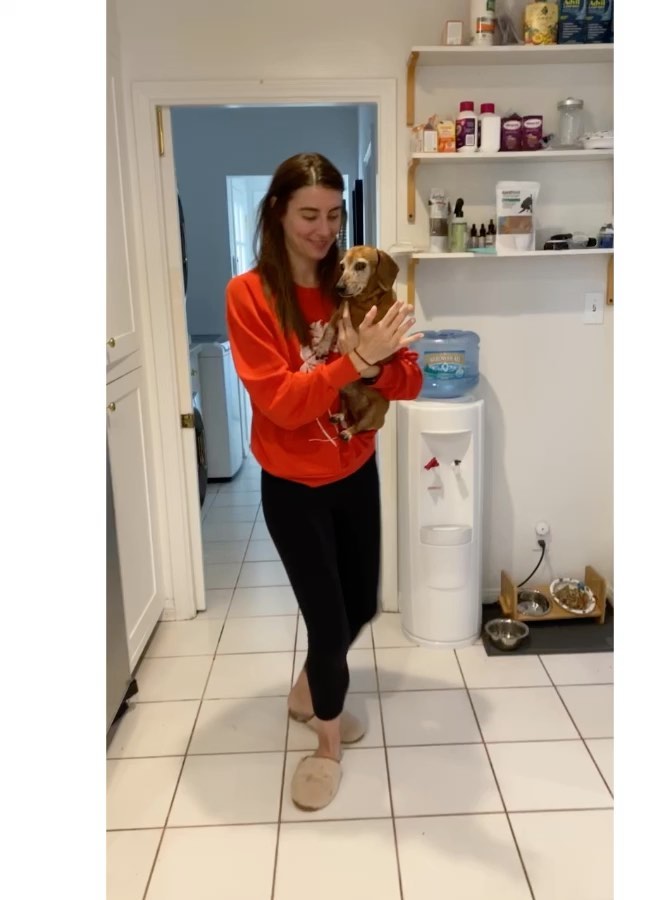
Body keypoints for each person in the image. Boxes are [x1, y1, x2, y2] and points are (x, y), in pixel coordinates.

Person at [226, 152, 423, 811]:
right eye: (309, 214)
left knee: (362, 605)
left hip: (355, 470)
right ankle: (327, 744)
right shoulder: (249, 295)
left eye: (334, 215)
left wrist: (376, 366)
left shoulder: (361, 287)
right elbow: (282, 403)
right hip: (292, 485)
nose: (324, 229)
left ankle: (307, 691)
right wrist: (355, 360)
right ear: (277, 212)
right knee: (329, 621)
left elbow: (410, 379)